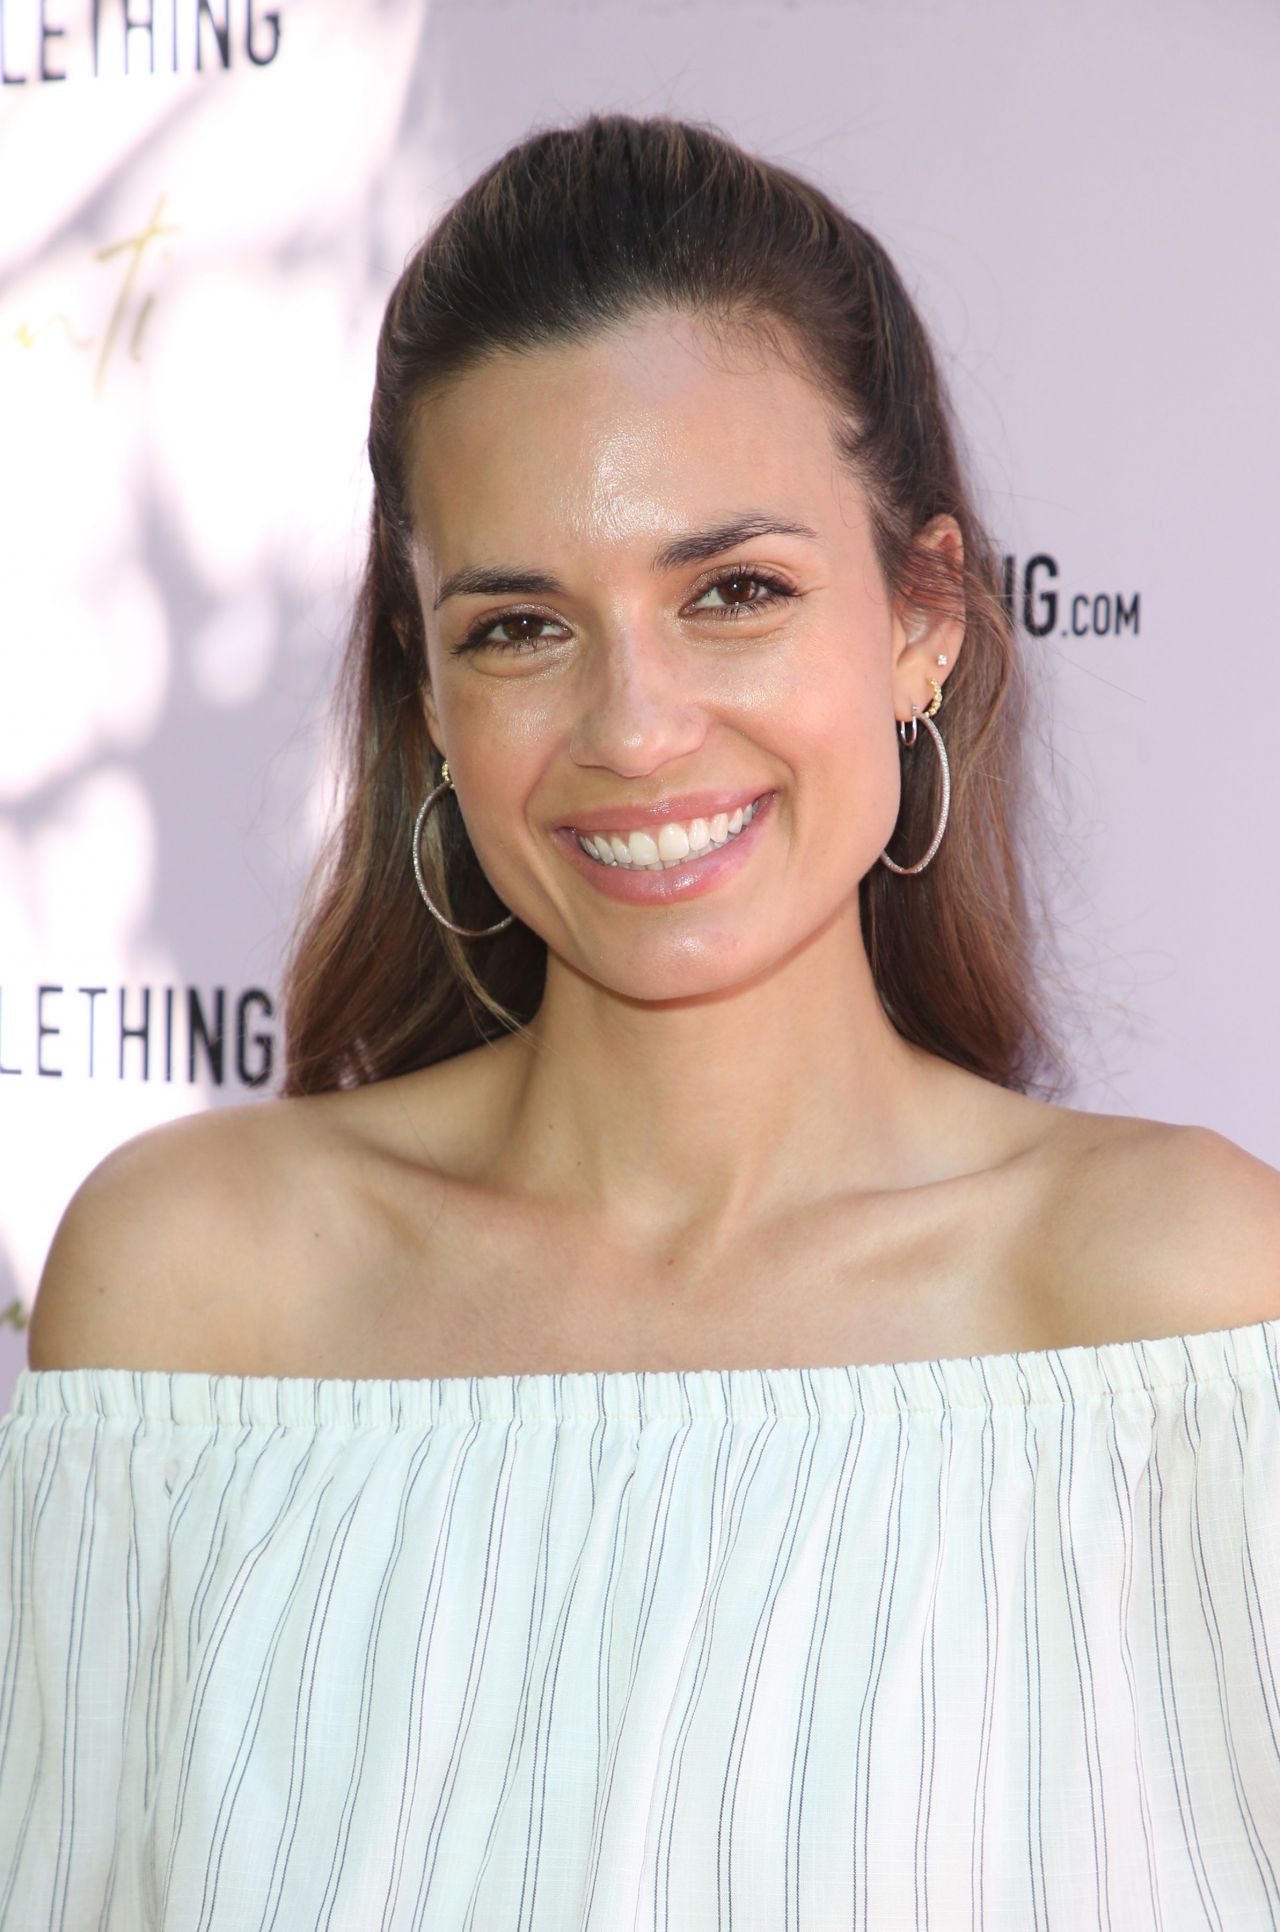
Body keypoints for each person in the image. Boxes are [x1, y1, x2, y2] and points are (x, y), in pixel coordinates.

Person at [4, 111, 1279, 1929]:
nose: (635, 729)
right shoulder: (200, 1298)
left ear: (922, 618)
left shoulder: (1182, 1312)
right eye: (521, 628)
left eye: (734, 593)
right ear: (425, 693)